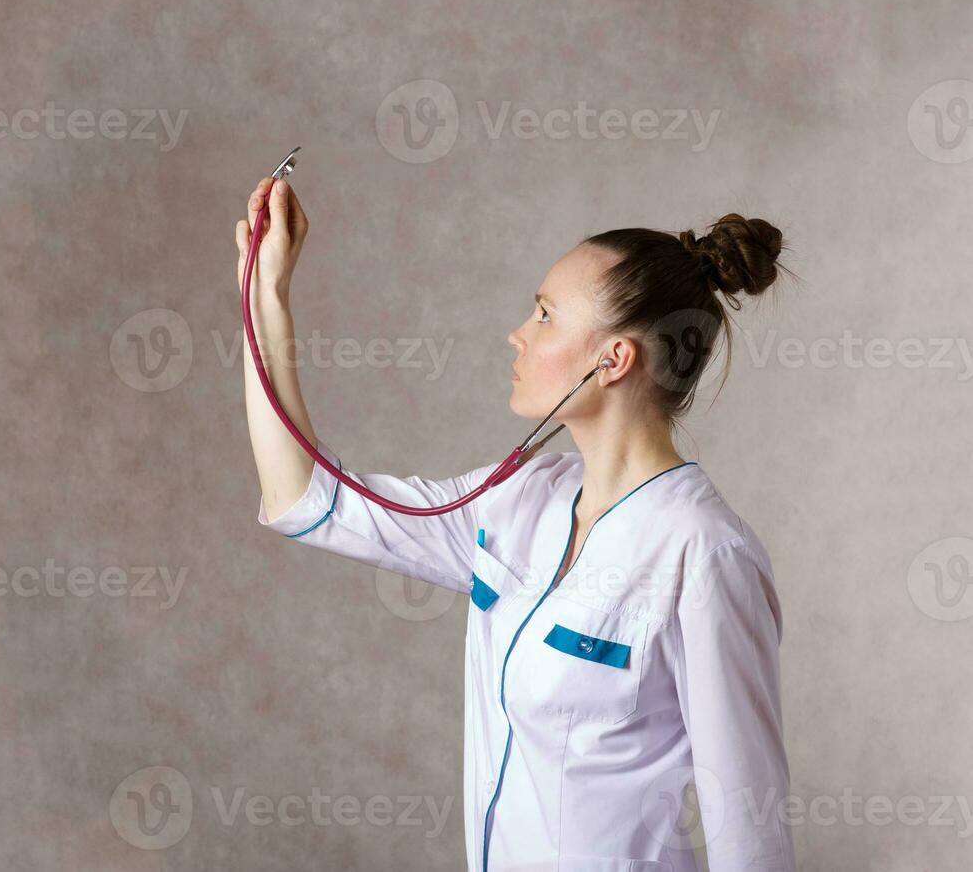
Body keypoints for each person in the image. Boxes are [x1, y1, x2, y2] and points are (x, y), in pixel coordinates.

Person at [238, 175, 800, 872]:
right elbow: (307, 499)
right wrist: (266, 295)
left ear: (613, 359)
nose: (517, 334)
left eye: (543, 316)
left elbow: (749, 829)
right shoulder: (517, 500)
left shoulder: (704, 552)